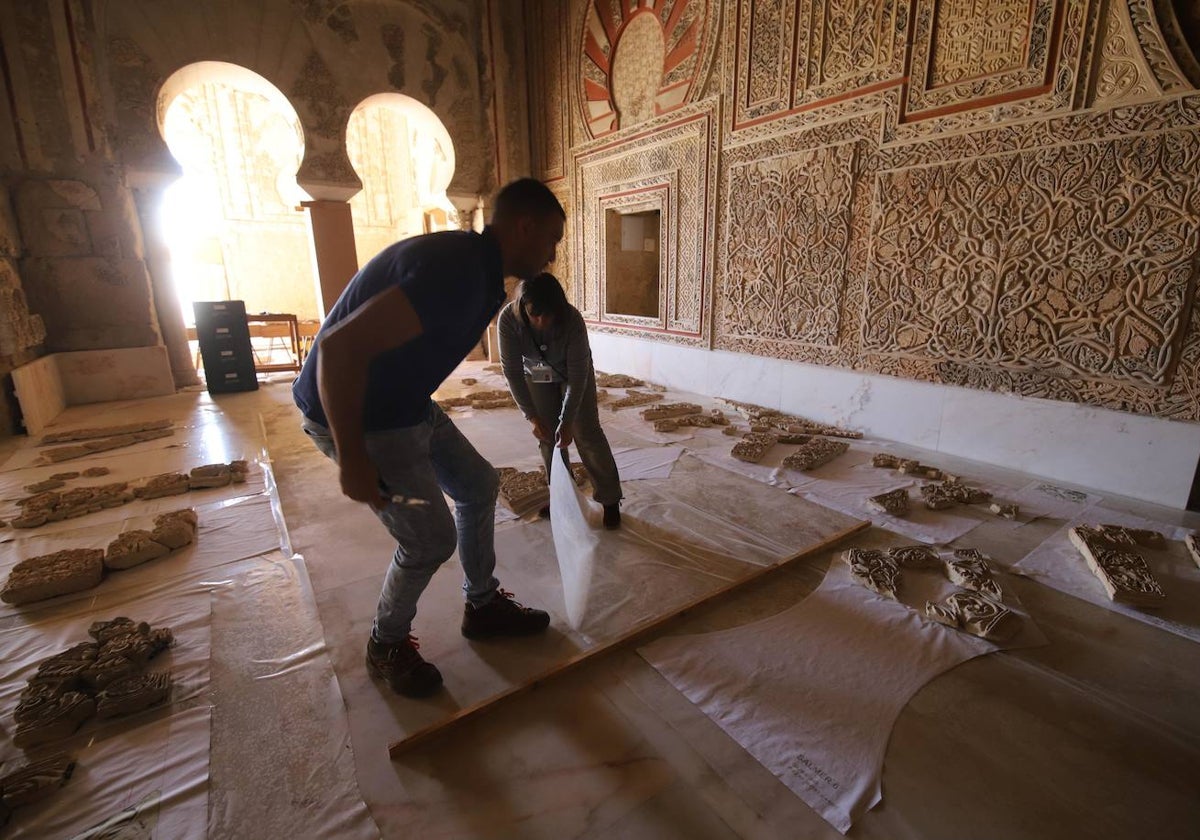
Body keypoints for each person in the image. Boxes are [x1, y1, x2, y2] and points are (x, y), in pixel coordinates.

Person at [291, 178, 565, 699]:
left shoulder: (482, 273)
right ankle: (385, 643)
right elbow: (338, 351)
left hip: (403, 402)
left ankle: (482, 606)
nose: (552, 255)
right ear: (523, 227)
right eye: (551, 239)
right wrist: (351, 457)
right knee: (429, 538)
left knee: (478, 483)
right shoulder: (455, 271)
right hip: (358, 414)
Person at [497, 272, 623, 529]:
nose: (542, 322)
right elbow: (511, 371)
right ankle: (563, 499)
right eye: (535, 315)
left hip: (571, 371)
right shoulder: (509, 321)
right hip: (538, 373)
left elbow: (577, 378)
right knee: (546, 435)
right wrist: (531, 416)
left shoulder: (572, 320)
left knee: (586, 431)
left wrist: (567, 420)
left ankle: (609, 499)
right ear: (523, 307)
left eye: (548, 315)